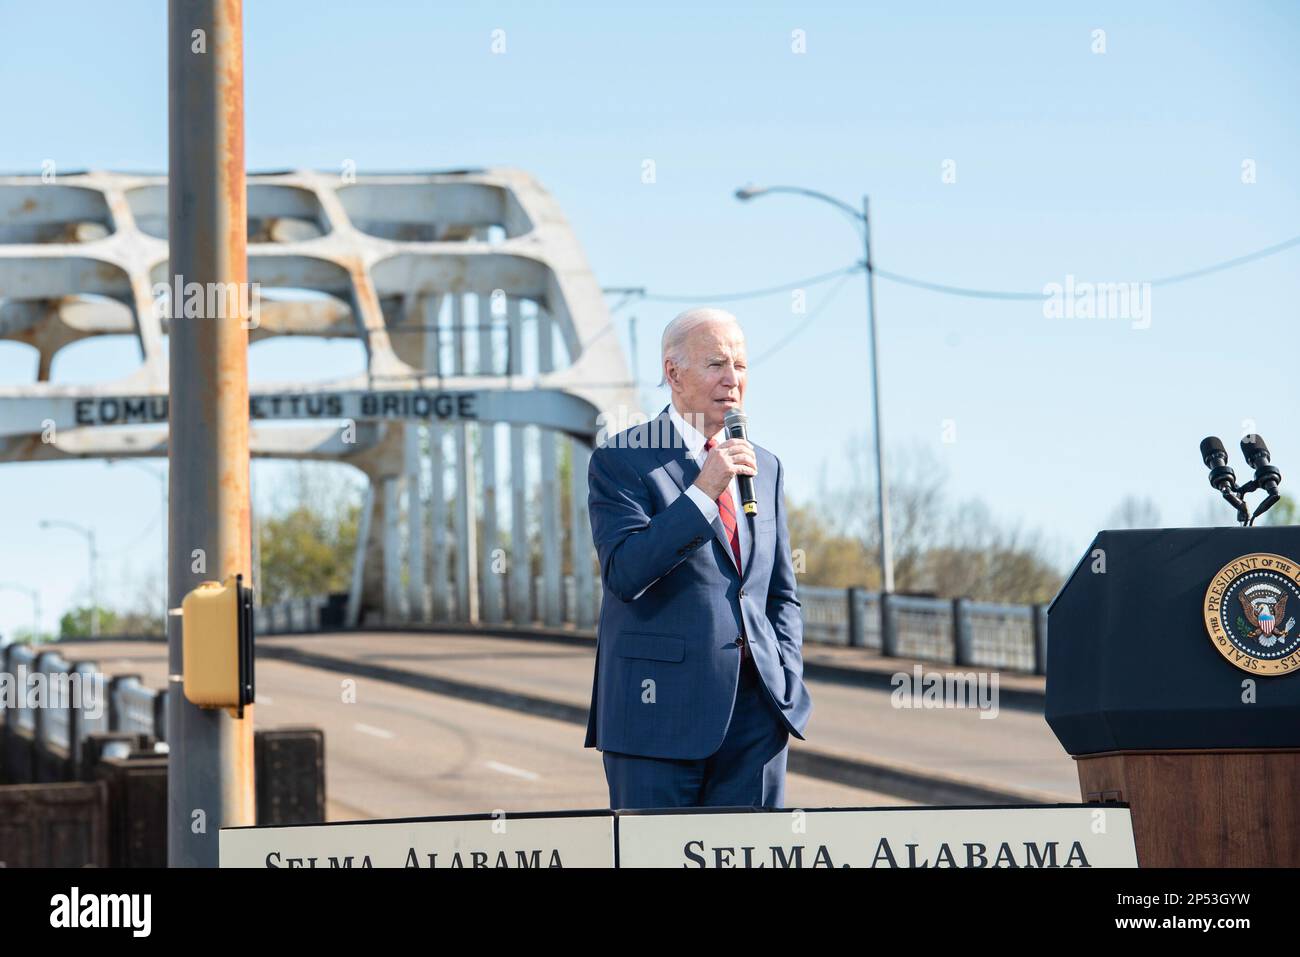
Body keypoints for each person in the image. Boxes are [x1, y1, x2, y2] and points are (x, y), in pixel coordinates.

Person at [584, 306, 813, 809]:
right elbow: (626, 572)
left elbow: (778, 593)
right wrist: (704, 491)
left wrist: (786, 676)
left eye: (742, 366)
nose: (732, 379)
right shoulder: (621, 459)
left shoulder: (765, 466)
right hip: (657, 718)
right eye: (715, 364)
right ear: (673, 373)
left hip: (757, 718)